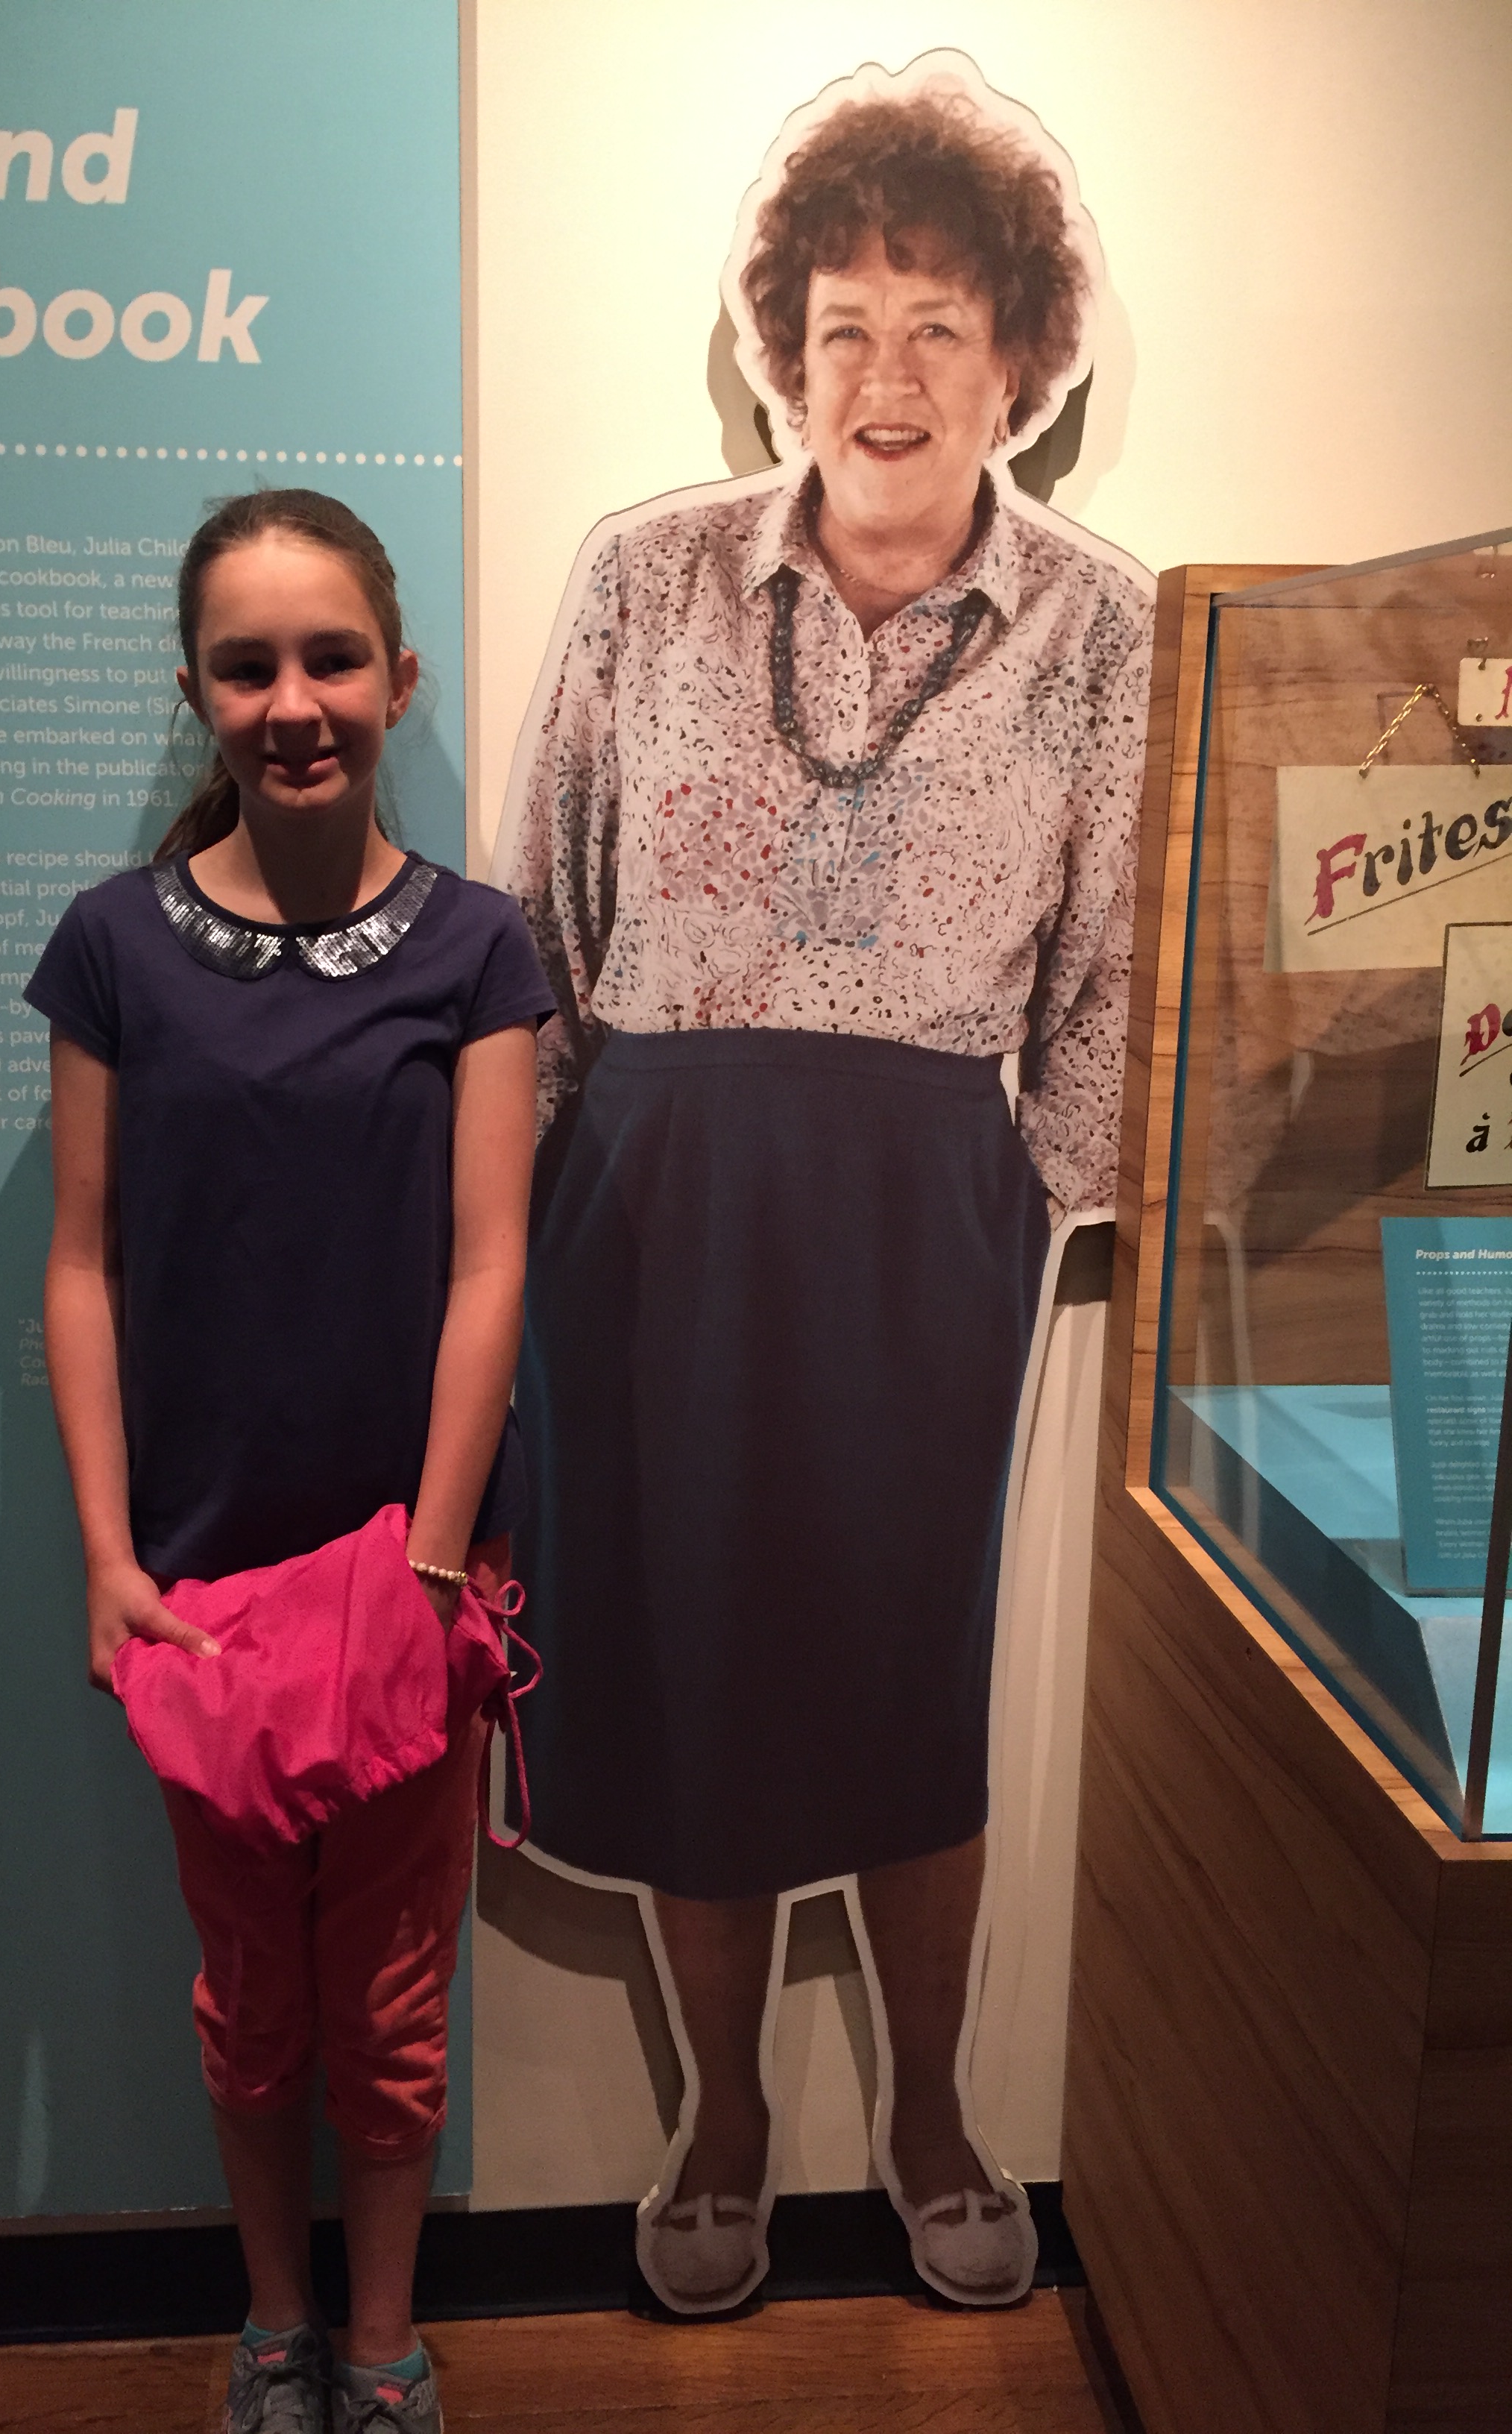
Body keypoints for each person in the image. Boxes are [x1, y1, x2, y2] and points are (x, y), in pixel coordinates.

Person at [499, 85, 1152, 2311]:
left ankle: (934, 2112)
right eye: (846, 323)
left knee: (903, 1671)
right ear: (784, 344)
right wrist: (536, 1205)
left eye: (940, 326)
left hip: (921, 1226)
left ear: (1018, 357)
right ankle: (725, 2123)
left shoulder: (1102, 626)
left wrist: (1014, 1200)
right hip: (650, 1207)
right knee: (686, 1666)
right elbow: (541, 919)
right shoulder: (645, 575)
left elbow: (1112, 971)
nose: (887, 376)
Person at [28, 489, 552, 2433]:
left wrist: (429, 1561)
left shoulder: (476, 946)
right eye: (246, 667)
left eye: (331, 657)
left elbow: (491, 1264)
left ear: (398, 677)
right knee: (252, 2003)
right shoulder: (113, 946)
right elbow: (81, 1264)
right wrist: (108, 1557)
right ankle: (271, 2329)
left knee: (393, 2009)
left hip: (409, 1578)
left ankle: (382, 2346)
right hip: (202, 1592)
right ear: (198, 694)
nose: (294, 701)